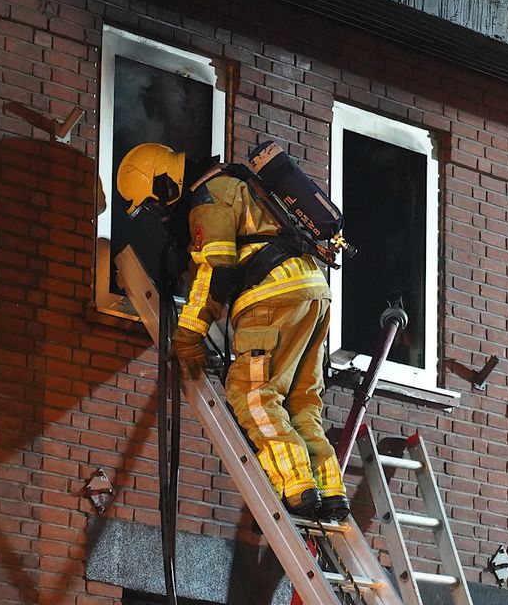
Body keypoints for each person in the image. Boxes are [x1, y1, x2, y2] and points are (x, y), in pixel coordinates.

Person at [115, 142, 349, 521]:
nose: (159, 214)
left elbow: (216, 269)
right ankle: (330, 489)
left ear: (166, 183)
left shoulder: (208, 197)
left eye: (155, 203)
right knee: (301, 400)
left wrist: (190, 332)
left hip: (271, 297)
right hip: (313, 295)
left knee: (252, 393)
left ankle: (299, 486)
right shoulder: (239, 185)